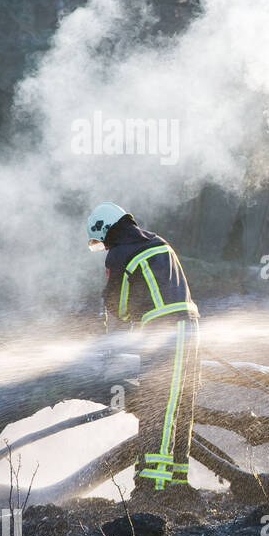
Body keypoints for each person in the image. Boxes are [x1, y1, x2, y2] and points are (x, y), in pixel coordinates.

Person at [87, 202, 201, 498]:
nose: (103, 247)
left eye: (101, 241)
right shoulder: (158, 242)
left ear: (105, 230)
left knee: (158, 404)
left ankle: (152, 486)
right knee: (181, 404)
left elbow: (119, 306)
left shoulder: (120, 253)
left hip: (163, 332)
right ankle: (177, 482)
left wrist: (111, 337)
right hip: (190, 327)